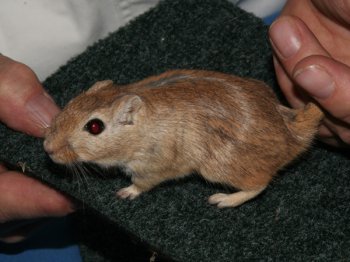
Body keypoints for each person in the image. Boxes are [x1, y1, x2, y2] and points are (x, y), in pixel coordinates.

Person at [0, 0, 348, 260]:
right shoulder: (129, 105)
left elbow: (163, 167)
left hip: (251, 130)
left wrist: (138, 186)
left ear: (130, 115)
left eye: (93, 128)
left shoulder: (148, 141)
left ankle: (252, 186)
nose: (52, 146)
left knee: (216, 164)